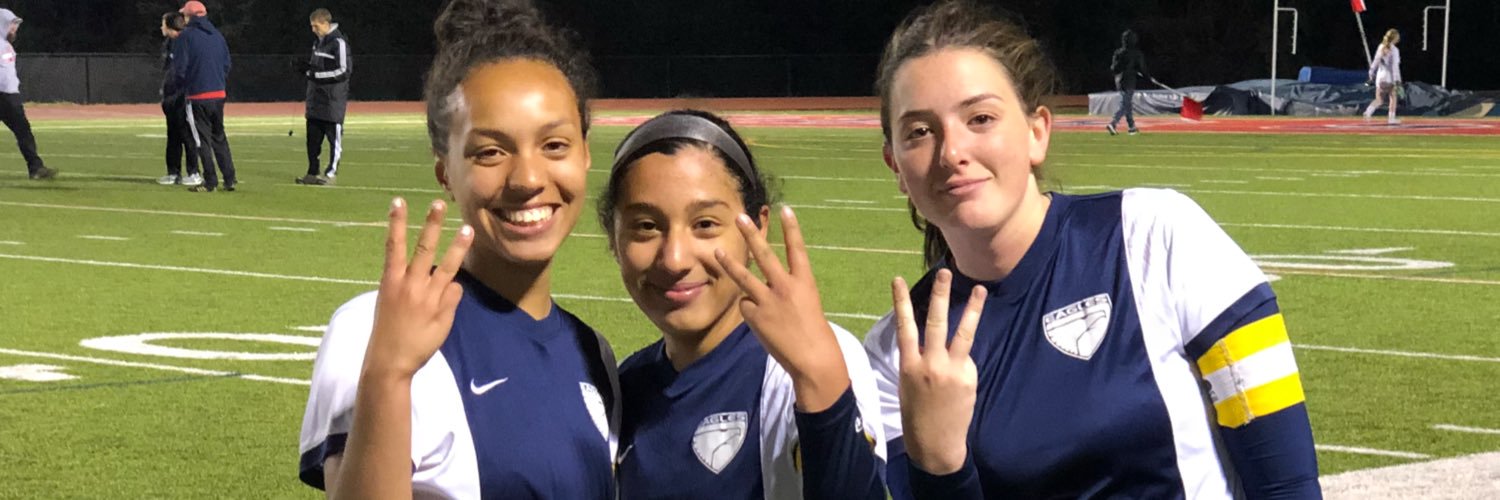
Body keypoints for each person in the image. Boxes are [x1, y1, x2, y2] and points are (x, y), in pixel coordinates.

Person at [862, 1, 1322, 498]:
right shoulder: (896, 358)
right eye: (920, 132)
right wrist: (941, 466)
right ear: (895, 165)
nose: (952, 152)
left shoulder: (1158, 238)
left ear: (1037, 131)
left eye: (980, 118)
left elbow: (1287, 483)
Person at [297, 0, 618, 498]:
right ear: (445, 171)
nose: (529, 179)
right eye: (490, 152)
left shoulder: (593, 354)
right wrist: (388, 374)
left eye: (555, 145)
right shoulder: (372, 328)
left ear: (585, 154)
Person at [601, 110, 886, 499]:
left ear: (758, 226)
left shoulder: (804, 365)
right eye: (646, 226)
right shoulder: (624, 387)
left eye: (705, 224)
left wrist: (821, 386)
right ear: (613, 239)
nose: (674, 258)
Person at [173, 1, 237, 193]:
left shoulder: (186, 37)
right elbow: (227, 64)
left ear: (189, 16)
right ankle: (229, 178)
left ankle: (210, 181)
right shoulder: (217, 36)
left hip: (198, 95)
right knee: (219, 136)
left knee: (201, 140)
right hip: (218, 94)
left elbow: (180, 68)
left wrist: (181, 88)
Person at [296, 8, 352, 186]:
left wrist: (316, 75)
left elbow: (344, 70)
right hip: (315, 101)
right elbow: (315, 69)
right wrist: (305, 68)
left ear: (326, 23)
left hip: (332, 101)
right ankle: (312, 172)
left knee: (334, 141)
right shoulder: (318, 43)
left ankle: (331, 174)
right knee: (312, 140)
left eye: (316, 26)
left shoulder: (338, 42)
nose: (313, 30)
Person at [0, 8, 53, 180]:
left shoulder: (6, 45)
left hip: (8, 95)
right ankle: (36, 168)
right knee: (23, 131)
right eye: (12, 25)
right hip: (6, 96)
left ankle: (36, 168)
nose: (14, 29)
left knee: (23, 132)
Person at [158, 11, 201, 187]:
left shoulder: (185, 42)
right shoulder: (169, 43)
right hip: (171, 95)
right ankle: (173, 172)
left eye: (163, 23)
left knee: (187, 134)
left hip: (184, 95)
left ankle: (193, 171)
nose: (161, 27)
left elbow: (182, 71)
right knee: (173, 134)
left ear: (170, 25)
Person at [1107, 29, 1150, 136]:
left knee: (1127, 103)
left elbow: (1113, 68)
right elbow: (1142, 68)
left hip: (1119, 81)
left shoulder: (1118, 52)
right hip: (1129, 81)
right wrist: (1147, 76)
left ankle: (1131, 127)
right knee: (1125, 104)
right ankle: (1113, 123)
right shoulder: (1136, 53)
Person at [1364, 29, 1402, 125]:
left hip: (1380, 78)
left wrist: (1371, 72)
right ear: (1395, 38)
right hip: (1390, 78)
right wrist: (1397, 80)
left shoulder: (1381, 47)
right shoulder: (1395, 50)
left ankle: (1368, 111)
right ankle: (1391, 118)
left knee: (1379, 100)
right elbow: (1394, 67)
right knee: (1393, 97)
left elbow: (1375, 61)